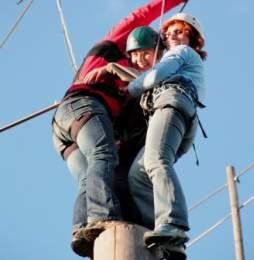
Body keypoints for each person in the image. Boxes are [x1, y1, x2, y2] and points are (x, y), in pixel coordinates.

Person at [51, 0, 185, 257]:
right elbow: (138, 16)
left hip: (66, 131)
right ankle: (102, 217)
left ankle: (83, 230)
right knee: (103, 155)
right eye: (140, 54)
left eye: (150, 58)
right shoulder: (111, 50)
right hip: (82, 106)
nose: (143, 61)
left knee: (91, 177)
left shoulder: (136, 87)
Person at [126, 12, 207, 258]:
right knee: (138, 174)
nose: (173, 35)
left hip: (172, 106)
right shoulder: (182, 58)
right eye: (170, 32)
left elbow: (155, 76)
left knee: (155, 160)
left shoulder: (181, 53)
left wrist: (129, 88)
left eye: (180, 31)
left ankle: (173, 224)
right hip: (178, 117)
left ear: (192, 38)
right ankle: (164, 238)